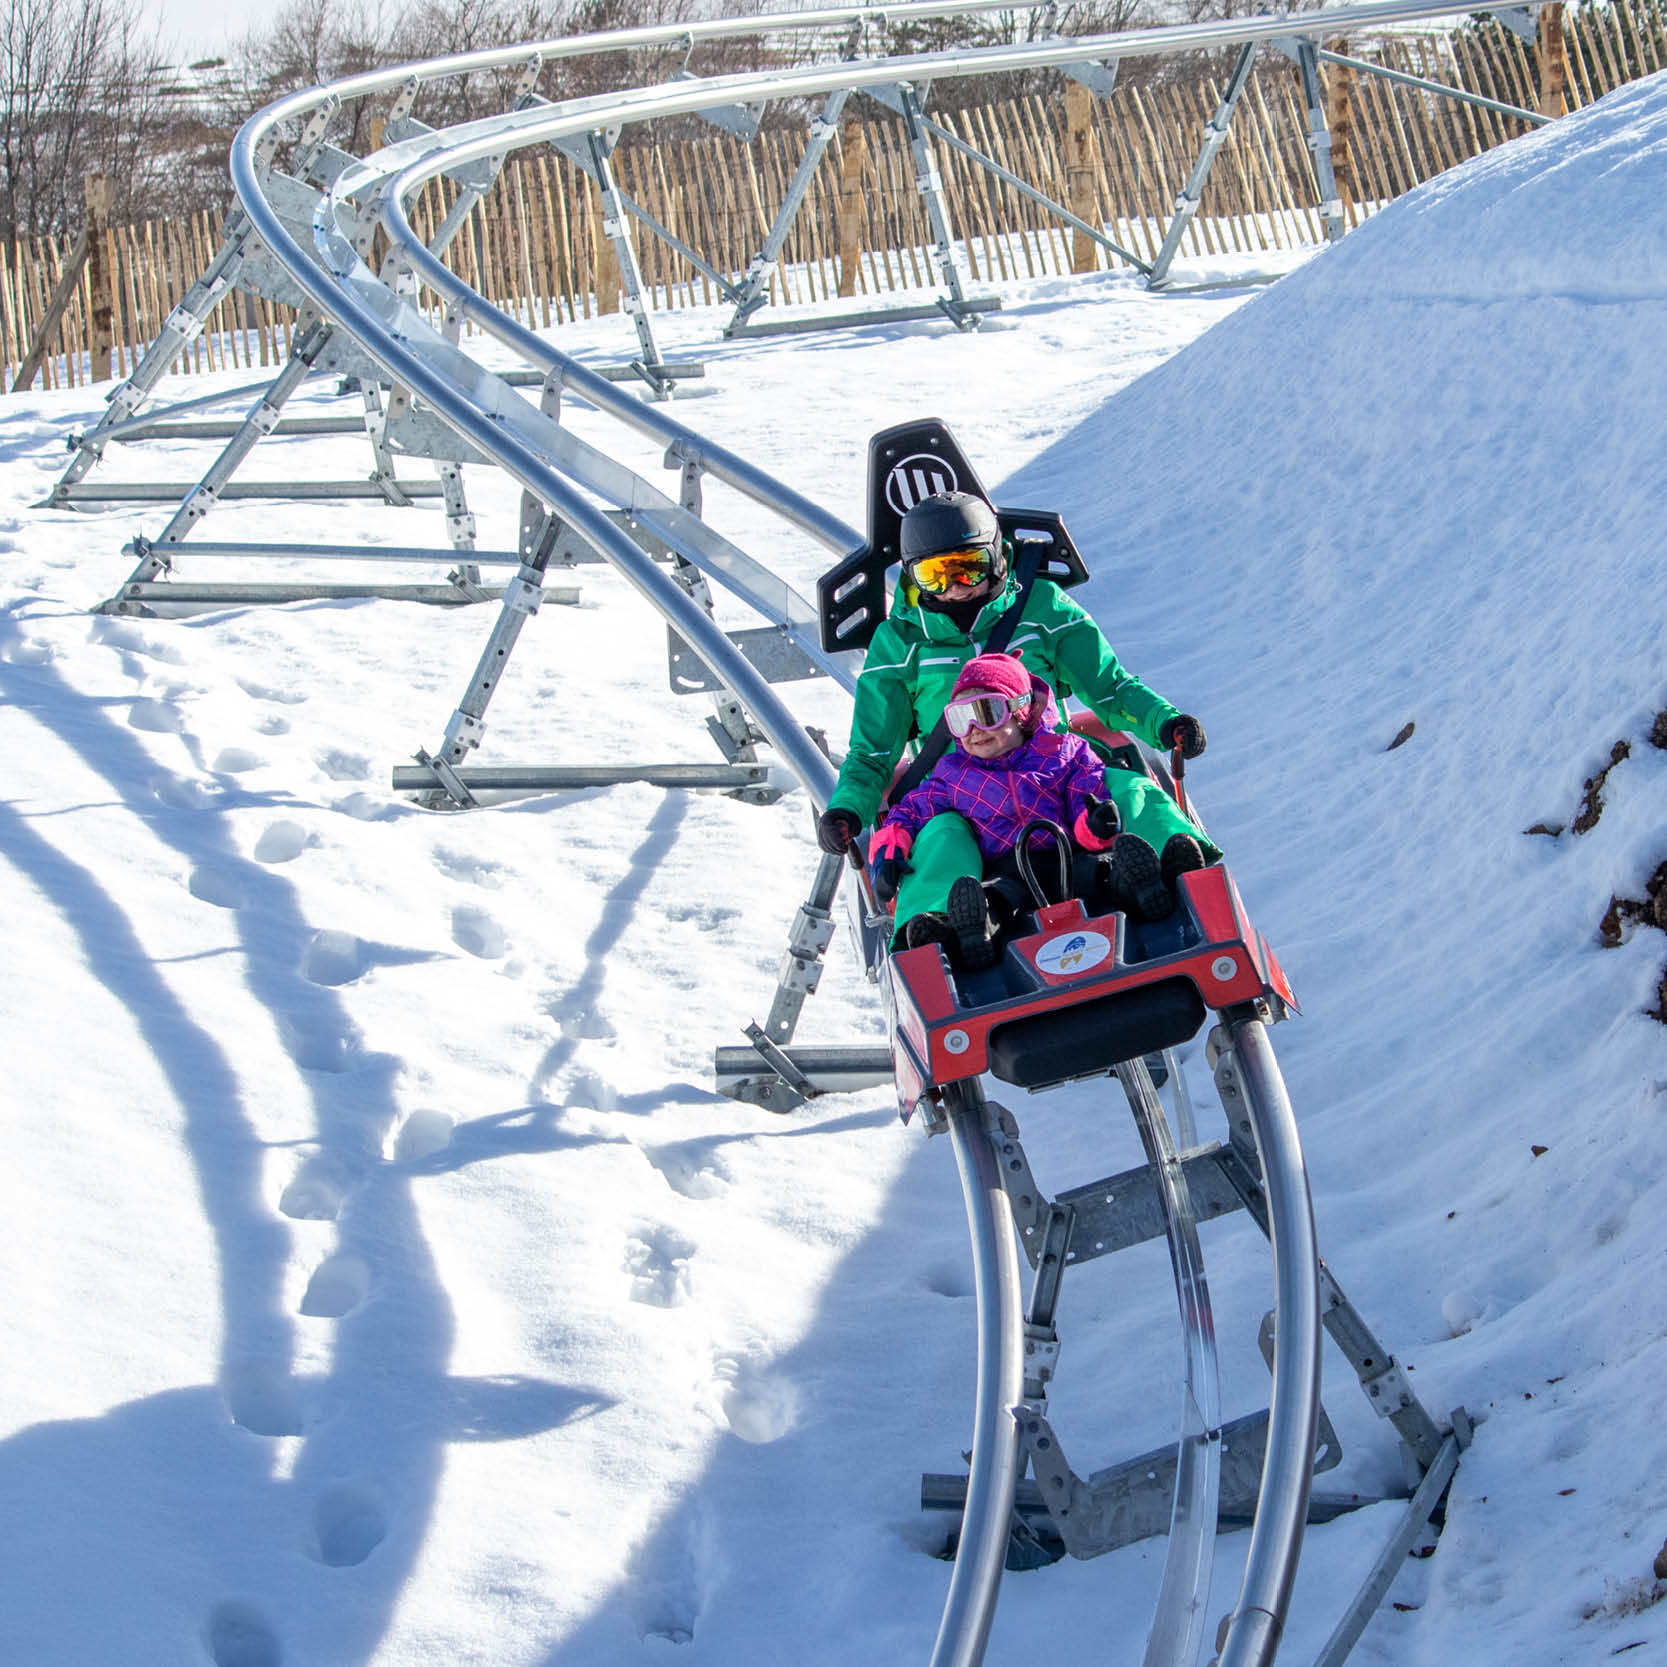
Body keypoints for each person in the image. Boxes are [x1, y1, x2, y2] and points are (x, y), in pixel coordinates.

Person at [815, 489, 1212, 937]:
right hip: (964, 794)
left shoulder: (1041, 607)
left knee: (1128, 788)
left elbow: (1111, 689)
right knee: (940, 838)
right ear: (911, 578)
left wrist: (1165, 723)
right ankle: (936, 931)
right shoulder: (901, 642)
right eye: (935, 576)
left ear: (998, 556)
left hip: (1055, 771)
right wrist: (847, 809)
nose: (957, 587)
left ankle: (1182, 867)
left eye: (969, 566)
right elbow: (873, 753)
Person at [866, 651, 1206, 968]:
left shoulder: (1064, 753)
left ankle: (1144, 886)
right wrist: (889, 852)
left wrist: (1096, 824)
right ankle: (969, 933)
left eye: (986, 714)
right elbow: (909, 812)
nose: (972, 731)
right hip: (1006, 870)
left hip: (1070, 856)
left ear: (1021, 711)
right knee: (991, 899)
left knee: (1105, 871)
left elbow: (1084, 794)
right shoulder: (953, 775)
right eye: (960, 718)